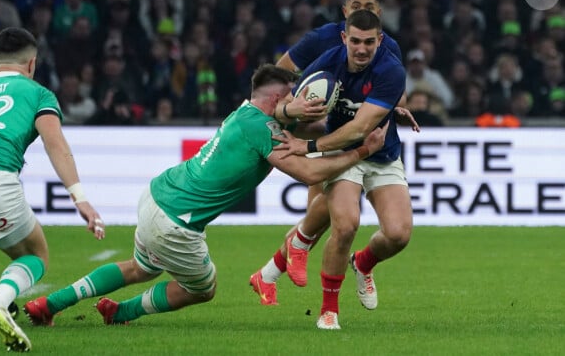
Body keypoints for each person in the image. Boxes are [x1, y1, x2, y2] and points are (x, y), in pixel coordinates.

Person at [23, 64, 389, 328]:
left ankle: (49, 304)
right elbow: (308, 172)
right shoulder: (263, 129)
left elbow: (300, 124)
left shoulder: (244, 115)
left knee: (140, 268)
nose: (295, 102)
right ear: (277, 97)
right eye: (291, 96)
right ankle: (124, 312)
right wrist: (361, 152)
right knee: (204, 288)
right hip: (177, 223)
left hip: (156, 195)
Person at [250, 0, 417, 305]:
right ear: (345, 16)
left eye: (368, 9)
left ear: (378, 17)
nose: (362, 13)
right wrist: (298, 108)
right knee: (334, 219)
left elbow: (393, 94)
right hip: (323, 134)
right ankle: (291, 273)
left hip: (361, 138)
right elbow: (281, 74)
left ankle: (271, 271)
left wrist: (392, 108)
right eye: (356, 8)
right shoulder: (322, 40)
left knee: (322, 216)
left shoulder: (388, 50)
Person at [0, 27, 104, 352]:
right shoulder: (38, 93)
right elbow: (56, 144)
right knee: (35, 254)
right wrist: (80, 197)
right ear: (32, 64)